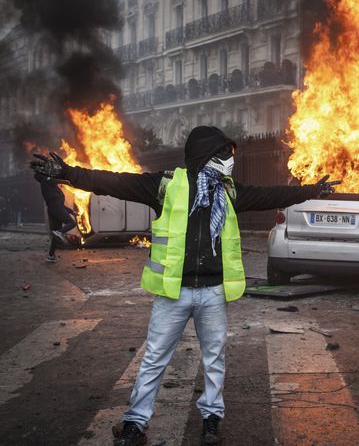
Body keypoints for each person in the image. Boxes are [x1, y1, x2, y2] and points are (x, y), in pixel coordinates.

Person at [31, 126, 338, 446]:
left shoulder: (228, 192)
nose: (230, 161)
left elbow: (271, 195)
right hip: (173, 292)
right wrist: (66, 172)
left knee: (214, 357)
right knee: (154, 358)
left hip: (213, 292)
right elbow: (113, 182)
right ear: (204, 155)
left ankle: (211, 419)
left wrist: (311, 190)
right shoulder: (165, 185)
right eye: (224, 155)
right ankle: (136, 423)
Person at [33, 172, 77, 262]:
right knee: (72, 223)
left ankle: (51, 256)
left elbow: (61, 205)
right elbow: (54, 180)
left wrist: (72, 212)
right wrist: (67, 181)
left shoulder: (52, 187)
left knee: (56, 235)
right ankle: (60, 232)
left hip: (55, 209)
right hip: (55, 208)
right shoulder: (46, 181)